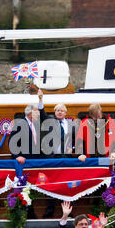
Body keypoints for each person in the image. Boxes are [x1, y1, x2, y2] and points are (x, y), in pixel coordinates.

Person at [38, 89, 77, 217]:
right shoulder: (50, 121)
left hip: (65, 158)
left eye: (62, 110)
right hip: (53, 157)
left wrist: (73, 148)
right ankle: (49, 212)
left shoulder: (70, 124)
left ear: (65, 113)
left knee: (66, 185)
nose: (59, 112)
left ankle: (68, 212)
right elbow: (42, 114)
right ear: (54, 113)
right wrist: (40, 100)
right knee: (52, 184)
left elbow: (76, 139)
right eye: (57, 110)